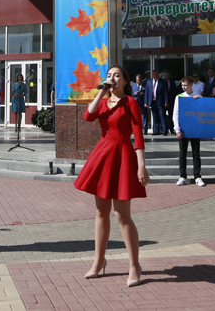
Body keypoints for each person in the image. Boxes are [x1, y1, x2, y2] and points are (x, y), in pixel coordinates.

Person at [74, 65, 148, 287]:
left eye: (116, 75)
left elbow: (138, 134)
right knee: (101, 212)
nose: (112, 78)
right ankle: (99, 261)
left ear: (125, 81)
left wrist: (141, 166)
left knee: (122, 215)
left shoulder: (131, 102)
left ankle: (134, 265)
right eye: (109, 75)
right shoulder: (103, 101)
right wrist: (101, 93)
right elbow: (88, 116)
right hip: (103, 155)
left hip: (123, 156)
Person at [174, 76, 205, 187]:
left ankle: (197, 176)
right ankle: (182, 176)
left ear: (191, 85)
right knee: (182, 154)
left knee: (196, 153)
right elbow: (176, 114)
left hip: (195, 129)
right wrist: (177, 129)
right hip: (183, 129)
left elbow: (203, 112)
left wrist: (198, 101)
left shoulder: (198, 96)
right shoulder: (179, 97)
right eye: (182, 85)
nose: (183, 87)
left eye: (185, 85)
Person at [144, 69, 167, 135]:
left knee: (162, 116)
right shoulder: (149, 82)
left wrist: (166, 101)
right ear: (152, 75)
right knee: (155, 116)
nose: (155, 75)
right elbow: (146, 92)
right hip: (153, 102)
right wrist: (146, 102)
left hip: (160, 101)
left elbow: (165, 92)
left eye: (157, 74)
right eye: (154, 74)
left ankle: (164, 130)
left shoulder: (163, 82)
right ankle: (156, 131)